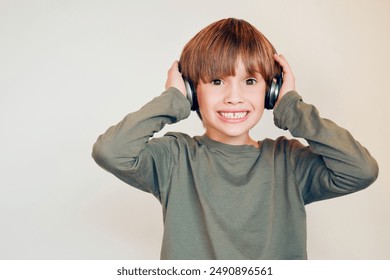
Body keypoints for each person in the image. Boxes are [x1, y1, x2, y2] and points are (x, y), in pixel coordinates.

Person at [92, 18, 379, 259]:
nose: (234, 97)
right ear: (192, 92)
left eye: (250, 82)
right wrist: (172, 101)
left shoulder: (289, 162)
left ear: (271, 91)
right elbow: (111, 151)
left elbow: (360, 170)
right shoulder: (175, 158)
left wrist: (292, 108)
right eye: (217, 82)